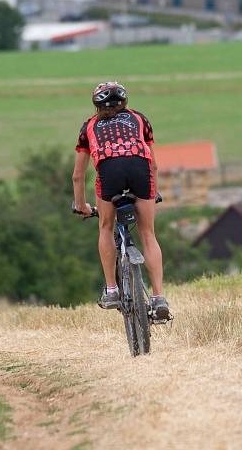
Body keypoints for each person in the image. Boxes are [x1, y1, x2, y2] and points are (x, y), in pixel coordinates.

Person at [72, 81, 169, 320]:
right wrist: (152, 192)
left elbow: (78, 175)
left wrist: (81, 206)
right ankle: (158, 298)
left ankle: (112, 290)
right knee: (148, 233)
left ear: (96, 105)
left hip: (109, 172)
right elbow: (153, 163)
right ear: (125, 101)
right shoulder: (140, 119)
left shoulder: (89, 127)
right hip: (140, 169)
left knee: (105, 227)